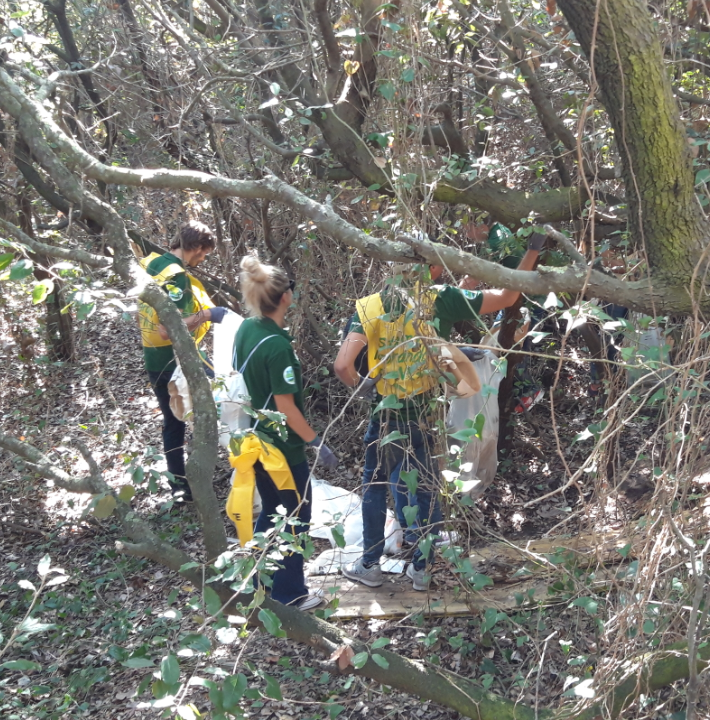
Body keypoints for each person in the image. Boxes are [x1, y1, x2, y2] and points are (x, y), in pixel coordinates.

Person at [333, 237, 543, 591]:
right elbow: (509, 297)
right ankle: (422, 569)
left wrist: (365, 385)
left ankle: (369, 565)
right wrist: (533, 250)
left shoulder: (370, 305)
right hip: (427, 412)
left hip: (387, 414)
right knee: (427, 484)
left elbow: (341, 365)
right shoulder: (440, 299)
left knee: (376, 485)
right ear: (428, 269)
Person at [234, 255, 336, 611]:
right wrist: (315, 441)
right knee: (295, 516)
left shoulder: (248, 329)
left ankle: (257, 577)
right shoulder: (277, 347)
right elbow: (286, 408)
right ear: (285, 297)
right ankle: (290, 594)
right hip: (279, 448)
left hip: (253, 440)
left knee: (273, 511)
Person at [139, 221, 228, 502]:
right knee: (209, 412)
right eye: (203, 254)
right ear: (196, 247)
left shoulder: (151, 263)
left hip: (153, 358)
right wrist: (210, 315)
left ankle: (179, 485)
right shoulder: (176, 276)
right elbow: (169, 328)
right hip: (176, 360)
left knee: (172, 421)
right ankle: (199, 478)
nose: (202, 260)